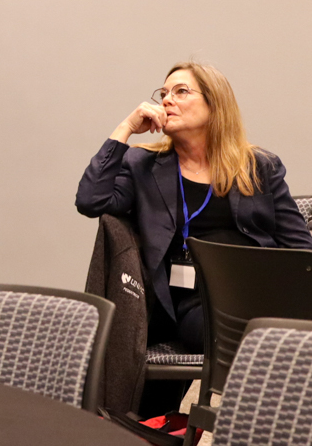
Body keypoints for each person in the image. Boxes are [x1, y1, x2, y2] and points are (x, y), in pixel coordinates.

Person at [76, 61, 312, 354]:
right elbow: (91, 200)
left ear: (215, 105)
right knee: (242, 333)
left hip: (257, 292)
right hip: (192, 303)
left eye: (181, 91)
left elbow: (300, 250)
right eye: (163, 93)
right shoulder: (141, 166)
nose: (166, 100)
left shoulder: (258, 167)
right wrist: (124, 129)